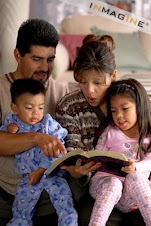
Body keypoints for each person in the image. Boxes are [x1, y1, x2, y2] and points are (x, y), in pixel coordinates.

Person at [56, 35, 145, 225]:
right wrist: (77, 171)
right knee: (88, 215)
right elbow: (74, 151)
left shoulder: (131, 100)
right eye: (82, 81)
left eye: (98, 83)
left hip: (136, 183)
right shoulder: (69, 106)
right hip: (98, 185)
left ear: (113, 75)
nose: (90, 91)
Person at [0, 19, 69, 225]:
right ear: (17, 55)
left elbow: (66, 145)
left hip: (51, 195)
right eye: (37, 59)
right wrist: (37, 138)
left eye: (50, 59)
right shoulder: (1, 90)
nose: (44, 68)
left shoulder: (61, 91)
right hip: (7, 195)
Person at [0, 78, 77, 226]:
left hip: (52, 175)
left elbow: (58, 151)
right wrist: (8, 130)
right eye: (29, 108)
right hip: (28, 178)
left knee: (65, 205)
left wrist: (41, 171)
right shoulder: (12, 122)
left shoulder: (48, 124)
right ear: (15, 108)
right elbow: (3, 139)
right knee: (21, 211)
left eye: (40, 107)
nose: (36, 113)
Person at [89, 78, 151, 226]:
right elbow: (98, 155)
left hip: (131, 193)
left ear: (139, 106)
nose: (119, 116)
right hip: (105, 185)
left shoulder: (147, 135)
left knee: (135, 177)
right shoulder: (110, 131)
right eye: (114, 111)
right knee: (113, 184)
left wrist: (136, 167)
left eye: (125, 109)